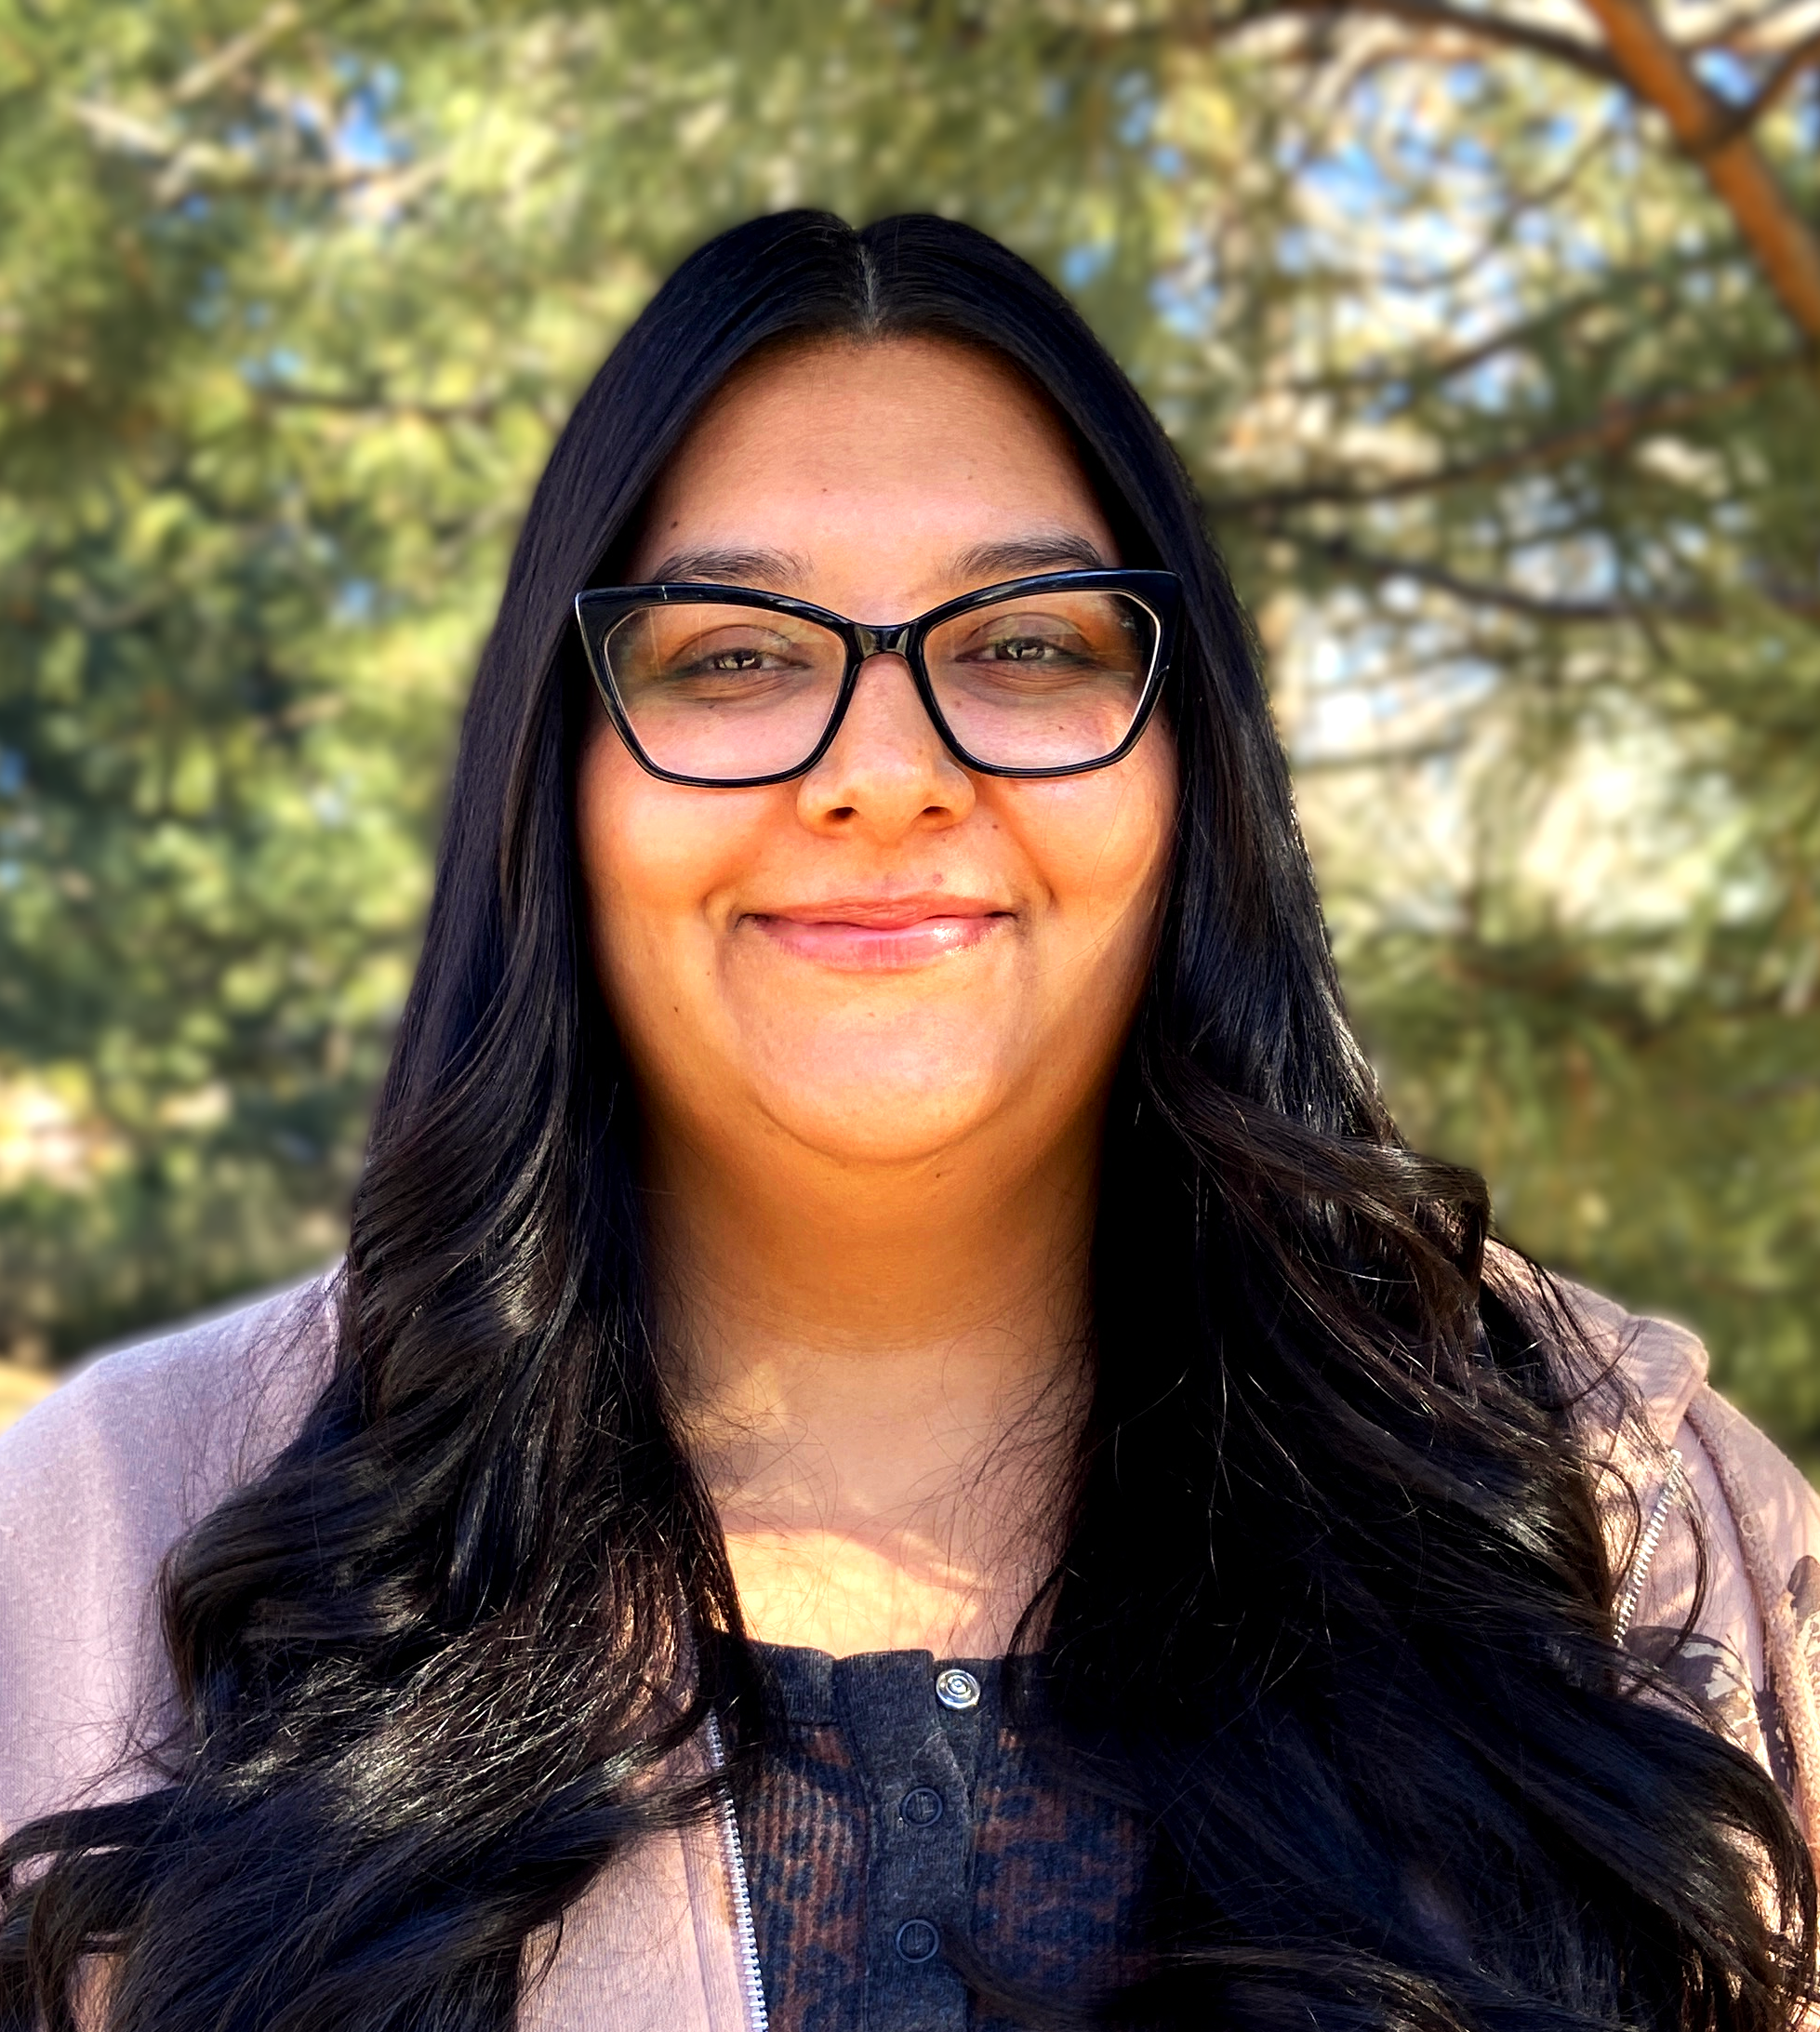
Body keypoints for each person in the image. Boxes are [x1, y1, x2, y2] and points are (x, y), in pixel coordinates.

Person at [1, 211, 1816, 2032]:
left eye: (1026, 644)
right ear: (557, 781)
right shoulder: (110, 1527)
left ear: (1201, 778)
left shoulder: (1614, 1519)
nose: (883, 768)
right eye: (731, 656)